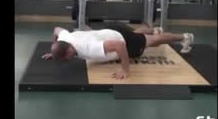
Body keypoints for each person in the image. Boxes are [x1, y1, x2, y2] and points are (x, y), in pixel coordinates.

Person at [41, 23, 195, 80]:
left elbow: (120, 46)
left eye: (66, 58)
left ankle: (184, 37)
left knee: (152, 42)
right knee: (139, 34)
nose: (68, 60)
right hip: (109, 31)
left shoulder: (90, 48)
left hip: (122, 40)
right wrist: (55, 52)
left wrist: (125, 70)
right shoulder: (64, 37)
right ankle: (153, 30)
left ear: (69, 51)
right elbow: (56, 29)